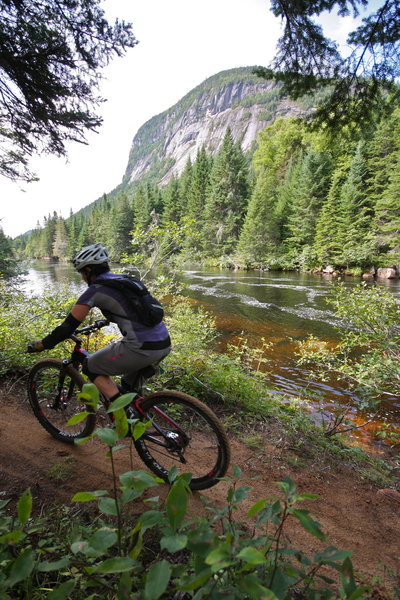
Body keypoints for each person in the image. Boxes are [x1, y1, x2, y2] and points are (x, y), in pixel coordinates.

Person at [28, 243, 171, 403]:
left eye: (82, 273)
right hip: (164, 343)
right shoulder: (125, 279)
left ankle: (121, 414)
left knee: (90, 366)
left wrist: (42, 344)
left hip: (141, 347)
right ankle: (138, 416)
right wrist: (104, 321)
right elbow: (133, 310)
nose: (82, 278)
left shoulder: (95, 290)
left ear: (89, 271)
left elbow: (67, 327)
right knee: (128, 387)